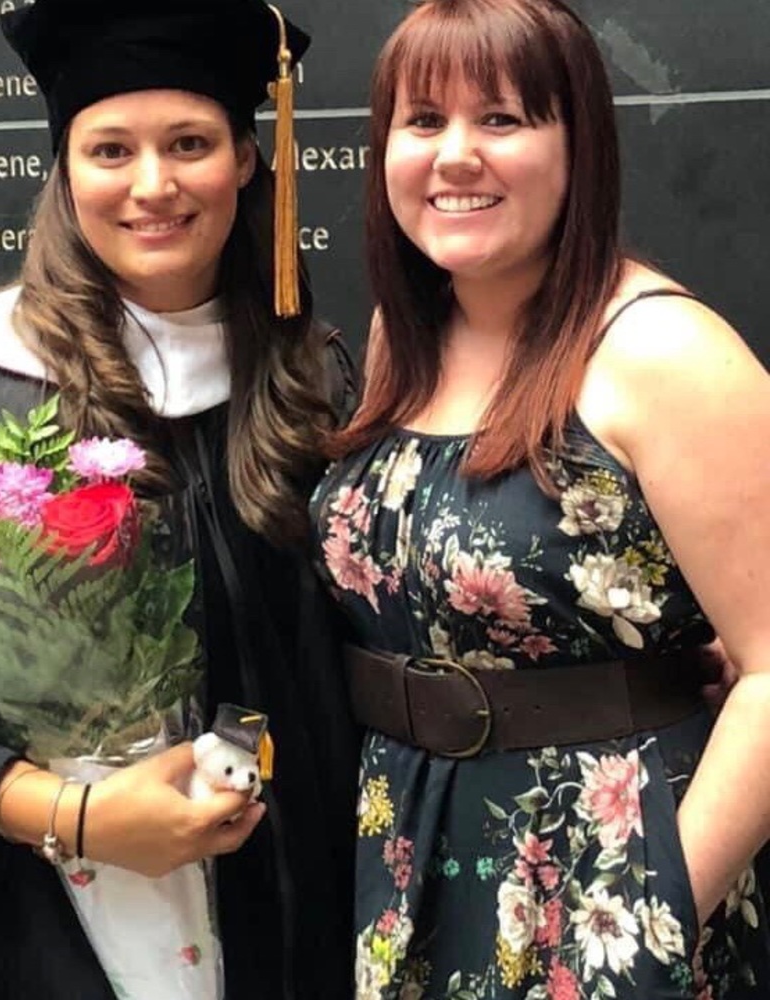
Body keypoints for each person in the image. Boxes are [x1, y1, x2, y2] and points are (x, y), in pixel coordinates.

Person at [0, 1, 360, 998]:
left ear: (247, 161)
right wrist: (83, 818)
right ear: (63, 167)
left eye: (190, 144)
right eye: (109, 149)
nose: (153, 184)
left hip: (306, 922)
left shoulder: (311, 378)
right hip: (57, 931)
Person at [310, 0, 770, 996]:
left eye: (503, 120)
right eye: (422, 122)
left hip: (611, 878)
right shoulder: (405, 338)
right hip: (416, 853)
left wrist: (649, 920)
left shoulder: (661, 353)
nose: (455, 155)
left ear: (579, 146)